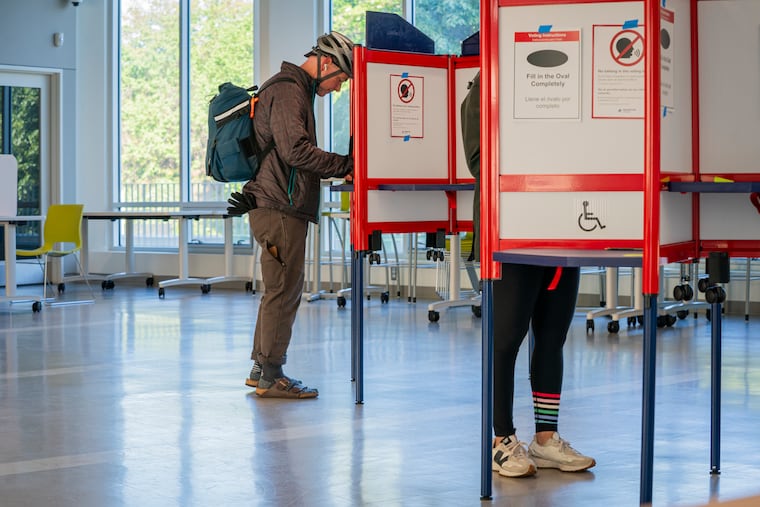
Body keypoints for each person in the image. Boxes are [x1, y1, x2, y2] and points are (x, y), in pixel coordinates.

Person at [460, 71, 595, 476]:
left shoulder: (571, 79)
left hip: (563, 229)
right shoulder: (488, 86)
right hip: (511, 231)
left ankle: (546, 441)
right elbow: (479, 160)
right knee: (505, 342)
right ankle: (502, 441)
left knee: (552, 339)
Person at [228, 31, 355, 399]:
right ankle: (272, 375)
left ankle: (260, 368)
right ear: (327, 63)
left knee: (278, 289)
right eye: (341, 78)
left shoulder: (292, 88)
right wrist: (346, 164)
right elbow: (295, 151)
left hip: (276, 205)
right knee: (284, 290)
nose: (338, 86)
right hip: (278, 207)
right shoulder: (288, 90)